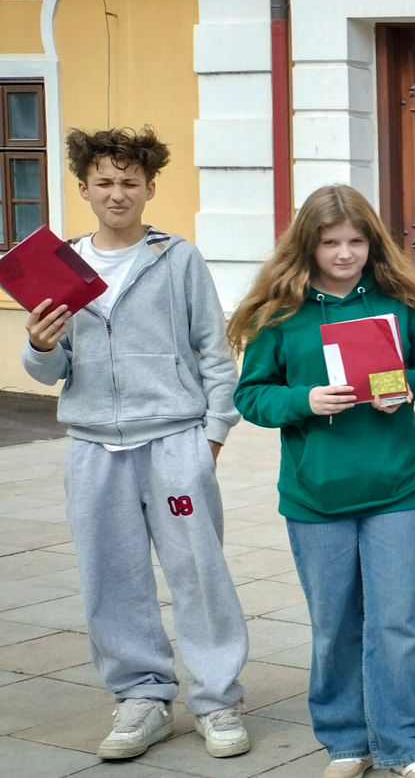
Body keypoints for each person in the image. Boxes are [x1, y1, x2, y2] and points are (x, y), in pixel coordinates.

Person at [20, 127, 251, 763]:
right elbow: (50, 369)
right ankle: (141, 697)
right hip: (93, 446)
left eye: (129, 182)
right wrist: (39, 345)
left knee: (198, 572)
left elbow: (214, 350)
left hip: (174, 439)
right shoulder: (61, 266)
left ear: (149, 188)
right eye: (104, 182)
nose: (117, 193)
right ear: (84, 188)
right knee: (110, 576)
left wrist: (213, 434)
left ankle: (216, 698)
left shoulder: (178, 258)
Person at [228, 185, 415, 778]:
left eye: (356, 241)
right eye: (331, 242)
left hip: (396, 488)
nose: (345, 253)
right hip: (315, 495)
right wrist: (303, 400)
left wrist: (404, 385)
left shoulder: (398, 303)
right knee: (334, 626)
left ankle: (408, 746)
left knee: (399, 622)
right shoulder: (280, 315)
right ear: (308, 244)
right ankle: (346, 742)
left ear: (372, 242)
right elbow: (251, 395)